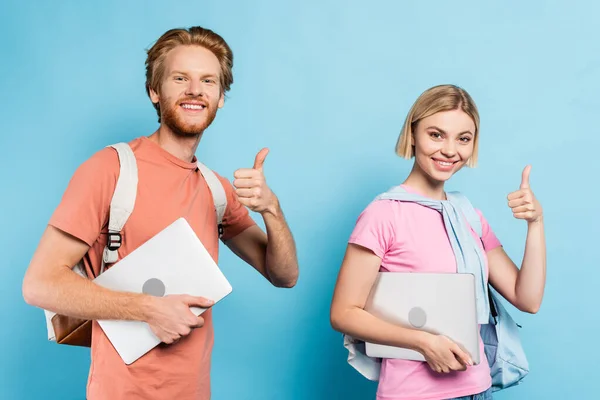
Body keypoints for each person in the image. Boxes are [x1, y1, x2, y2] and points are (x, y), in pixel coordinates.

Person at [22, 26, 299, 400]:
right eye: (180, 78)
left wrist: (272, 210)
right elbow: (39, 284)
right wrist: (150, 309)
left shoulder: (216, 189)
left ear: (220, 98)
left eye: (208, 81)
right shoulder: (111, 169)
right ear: (155, 90)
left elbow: (283, 275)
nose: (195, 90)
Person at [329, 84, 546, 400]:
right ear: (413, 133)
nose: (449, 150)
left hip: (478, 389)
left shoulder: (467, 214)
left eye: (463, 139)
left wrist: (535, 223)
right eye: (436, 134)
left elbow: (527, 299)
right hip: (413, 394)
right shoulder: (384, 214)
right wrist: (423, 342)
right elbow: (343, 313)